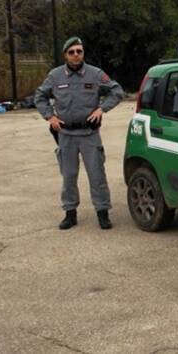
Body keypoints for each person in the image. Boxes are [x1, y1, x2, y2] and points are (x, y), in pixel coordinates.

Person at [35, 37, 124, 230]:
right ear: (65, 55)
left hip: (89, 134)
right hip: (66, 134)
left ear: (83, 53)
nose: (76, 55)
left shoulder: (95, 74)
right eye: (72, 52)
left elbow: (116, 91)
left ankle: (102, 212)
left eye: (79, 51)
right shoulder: (55, 76)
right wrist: (50, 117)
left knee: (97, 175)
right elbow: (39, 96)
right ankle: (70, 213)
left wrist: (102, 109)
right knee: (68, 176)